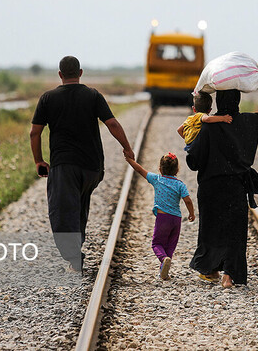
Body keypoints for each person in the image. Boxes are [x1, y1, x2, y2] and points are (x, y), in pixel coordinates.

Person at [30, 55, 135, 272]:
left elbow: (35, 132)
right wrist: (126, 147)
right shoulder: (93, 95)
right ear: (80, 73)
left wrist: (39, 160)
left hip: (64, 165)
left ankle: (73, 257)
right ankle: (76, 249)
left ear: (60, 75)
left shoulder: (48, 99)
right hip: (92, 167)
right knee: (79, 205)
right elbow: (112, 123)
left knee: (62, 212)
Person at [186, 71, 258, 288]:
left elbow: (193, 162)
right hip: (237, 185)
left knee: (210, 228)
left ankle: (211, 269)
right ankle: (229, 275)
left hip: (210, 186)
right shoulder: (250, 121)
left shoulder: (209, 125)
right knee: (236, 231)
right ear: (238, 100)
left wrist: (190, 145)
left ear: (219, 101)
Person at [125, 153, 196, 280]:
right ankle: (164, 271)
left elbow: (139, 169)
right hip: (176, 220)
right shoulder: (180, 185)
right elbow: (188, 201)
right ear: (177, 170)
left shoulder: (156, 179)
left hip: (163, 219)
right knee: (170, 246)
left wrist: (130, 160)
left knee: (156, 243)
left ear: (160, 169)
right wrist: (191, 213)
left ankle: (163, 259)